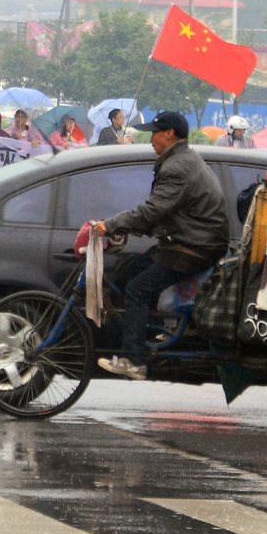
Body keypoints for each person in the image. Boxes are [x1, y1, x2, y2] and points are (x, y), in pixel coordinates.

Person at [91, 110, 231, 381]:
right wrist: (134, 228)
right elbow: (169, 212)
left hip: (194, 247)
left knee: (137, 288)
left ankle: (134, 359)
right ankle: (146, 333)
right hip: (189, 239)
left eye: (154, 133)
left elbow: (154, 210)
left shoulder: (177, 167)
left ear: (169, 134)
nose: (151, 139)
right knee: (130, 269)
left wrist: (111, 224)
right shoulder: (182, 159)